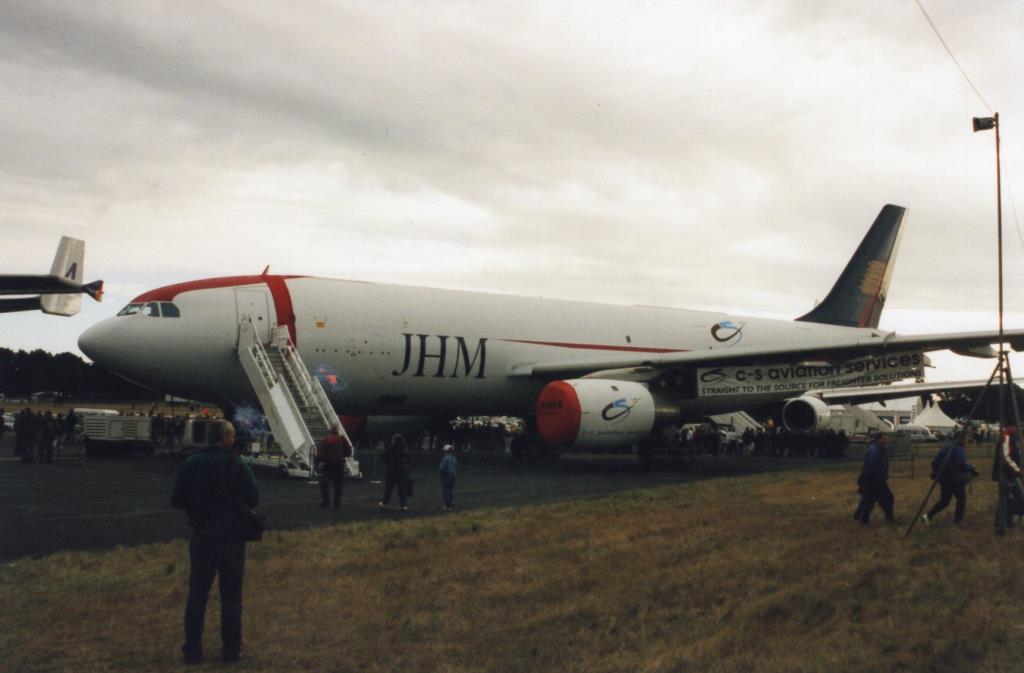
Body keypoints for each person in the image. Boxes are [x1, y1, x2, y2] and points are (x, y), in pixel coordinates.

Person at [171, 419, 259, 665]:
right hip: (231, 537)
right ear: (226, 438)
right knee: (231, 598)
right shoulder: (236, 463)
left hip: (202, 535)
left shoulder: (190, 463)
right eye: (232, 435)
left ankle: (192, 651)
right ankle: (231, 650)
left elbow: (176, 500)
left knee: (197, 596)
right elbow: (254, 497)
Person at [922, 431, 979, 525]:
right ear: (961, 439)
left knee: (944, 500)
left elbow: (934, 461)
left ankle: (928, 516)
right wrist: (971, 468)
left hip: (943, 478)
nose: (967, 440)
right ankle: (957, 522)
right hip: (953, 479)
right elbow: (960, 465)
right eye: (966, 438)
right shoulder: (959, 448)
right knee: (961, 499)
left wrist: (938, 472)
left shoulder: (947, 446)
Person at [854, 432, 895, 525]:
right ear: (879, 439)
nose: (886, 440)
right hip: (873, 480)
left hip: (876, 479)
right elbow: (872, 465)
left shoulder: (880, 449)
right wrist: (877, 477)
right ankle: (865, 520)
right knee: (881, 499)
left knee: (870, 500)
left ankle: (862, 518)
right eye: (884, 438)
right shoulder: (874, 450)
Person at [993, 420, 1024, 533]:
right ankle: (1000, 527)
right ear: (1010, 426)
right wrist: (1017, 470)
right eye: (1016, 426)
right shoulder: (1006, 437)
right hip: (1006, 475)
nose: (1017, 429)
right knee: (1004, 500)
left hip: (1011, 474)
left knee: (1018, 497)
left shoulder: (1011, 437)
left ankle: (1007, 520)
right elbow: (1006, 457)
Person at [316, 427, 351, 509]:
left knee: (324, 483)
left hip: (328, 463)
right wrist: (343, 455)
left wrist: (317, 462)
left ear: (330, 431)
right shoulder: (342, 439)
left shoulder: (326, 439)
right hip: (339, 463)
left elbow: (321, 453)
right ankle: (337, 503)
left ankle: (326, 501)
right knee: (338, 484)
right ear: (337, 430)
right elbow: (349, 451)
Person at [379, 433, 410, 510]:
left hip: (392, 471)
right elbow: (408, 460)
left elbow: (383, 456)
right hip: (402, 471)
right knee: (402, 488)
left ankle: (385, 502)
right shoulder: (404, 449)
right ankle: (404, 505)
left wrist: (388, 464)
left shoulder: (391, 449)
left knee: (389, 488)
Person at [438, 444, 459, 511]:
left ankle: (451, 500)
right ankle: (448, 506)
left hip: (447, 475)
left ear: (445, 451)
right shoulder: (454, 458)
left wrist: (442, 476)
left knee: (445, 490)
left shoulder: (445, 458)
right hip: (453, 475)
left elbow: (441, 468)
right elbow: (457, 467)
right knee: (450, 489)